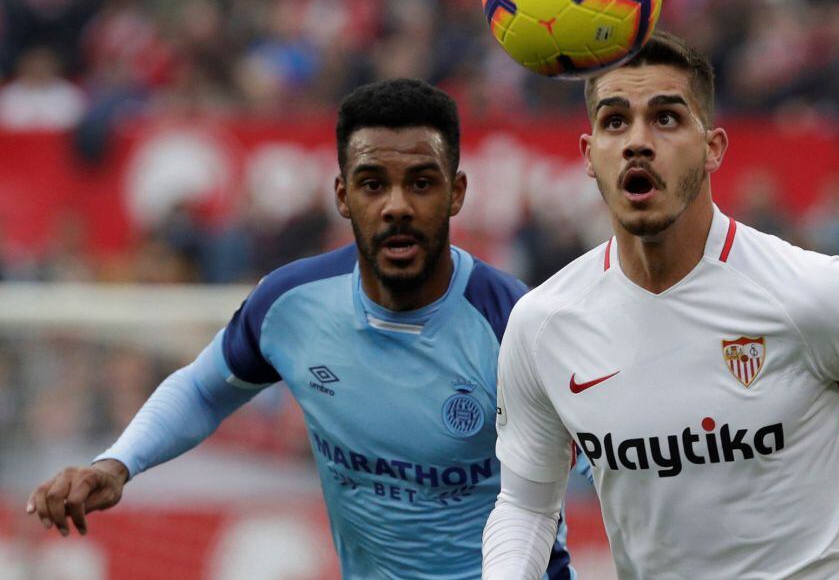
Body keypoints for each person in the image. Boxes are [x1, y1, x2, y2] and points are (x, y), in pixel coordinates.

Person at [482, 32, 839, 579]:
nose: (637, 142)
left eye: (666, 118)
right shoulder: (543, 324)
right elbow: (527, 503)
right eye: (615, 121)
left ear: (713, 147)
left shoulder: (810, 291)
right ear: (588, 154)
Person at [27, 78, 575, 579]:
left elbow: (602, 461)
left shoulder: (514, 324)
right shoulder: (290, 304)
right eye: (372, 184)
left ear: (456, 193)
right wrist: (118, 463)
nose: (397, 206)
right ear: (342, 196)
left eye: (422, 183)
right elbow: (202, 388)